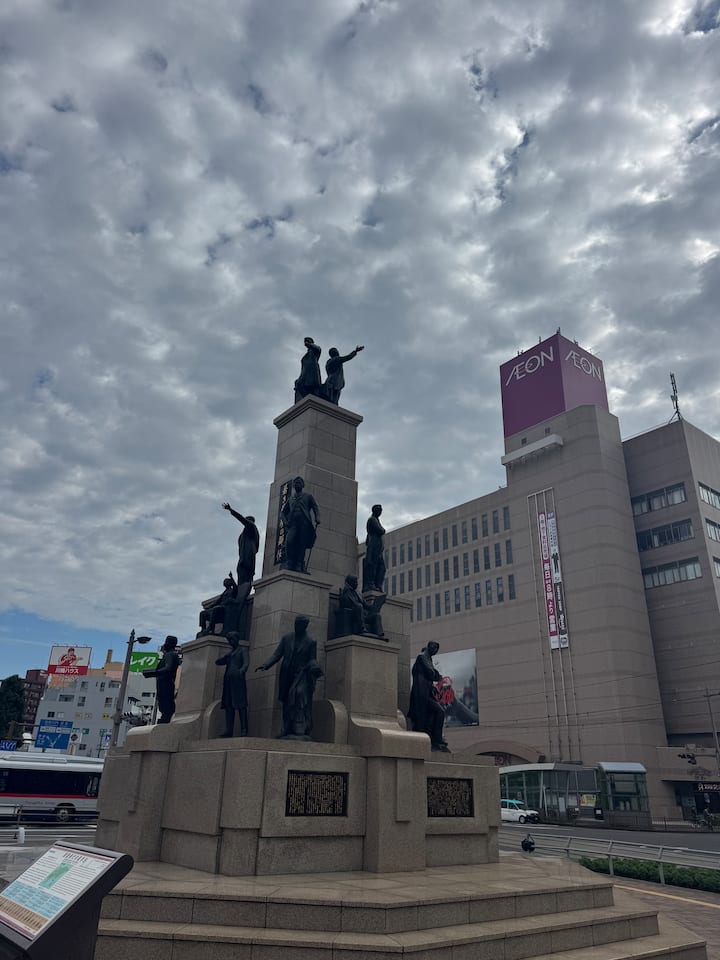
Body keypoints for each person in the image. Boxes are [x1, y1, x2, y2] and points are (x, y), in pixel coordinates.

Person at [256, 615, 323, 738]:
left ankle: (301, 726)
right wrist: (265, 665)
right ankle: (286, 728)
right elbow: (277, 654)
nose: (296, 627)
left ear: (305, 626)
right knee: (286, 701)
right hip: (287, 674)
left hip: (301, 674)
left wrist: (315, 666)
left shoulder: (311, 641)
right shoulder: (287, 638)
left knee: (299, 694)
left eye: (299, 625)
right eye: (295, 624)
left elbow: (312, 658)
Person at [408, 641, 448, 751]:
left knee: (437, 713)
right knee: (439, 711)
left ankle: (436, 739)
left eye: (437, 649)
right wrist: (437, 676)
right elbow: (431, 673)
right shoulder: (422, 657)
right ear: (429, 647)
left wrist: (433, 686)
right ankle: (437, 739)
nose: (435, 651)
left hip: (426, 694)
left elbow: (429, 676)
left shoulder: (428, 658)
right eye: (434, 648)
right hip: (421, 696)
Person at [281, 476, 321, 572]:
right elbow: (283, 512)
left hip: (304, 523)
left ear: (303, 485)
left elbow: (315, 507)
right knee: (289, 541)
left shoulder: (308, 496)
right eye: (295, 483)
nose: (297, 484)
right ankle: (290, 562)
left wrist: (317, 518)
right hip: (293, 524)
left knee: (301, 543)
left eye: (299, 483)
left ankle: (299, 564)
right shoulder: (291, 499)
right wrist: (285, 522)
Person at [215, 631, 249, 737]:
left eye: (232, 639)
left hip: (238, 681)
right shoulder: (230, 654)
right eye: (229, 640)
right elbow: (217, 662)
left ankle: (244, 729)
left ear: (237, 639)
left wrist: (241, 671)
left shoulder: (242, 650)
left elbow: (246, 663)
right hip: (228, 682)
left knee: (241, 705)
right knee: (229, 706)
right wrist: (225, 657)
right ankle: (229, 730)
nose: (231, 642)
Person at [143, 636, 181, 724]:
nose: (164, 644)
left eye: (166, 642)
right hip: (164, 683)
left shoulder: (171, 654)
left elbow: (168, 668)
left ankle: (167, 717)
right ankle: (166, 717)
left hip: (166, 683)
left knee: (166, 703)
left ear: (170, 643)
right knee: (164, 702)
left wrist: (153, 672)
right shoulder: (170, 655)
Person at [222, 503, 260, 585]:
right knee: (242, 575)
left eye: (247, 521)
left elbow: (241, 518)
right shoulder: (243, 534)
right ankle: (240, 590)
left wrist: (230, 510)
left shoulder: (251, 527)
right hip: (243, 558)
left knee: (246, 576)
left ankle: (243, 589)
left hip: (248, 557)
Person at [362, 504, 386, 591]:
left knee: (382, 567)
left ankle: (378, 585)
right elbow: (381, 530)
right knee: (373, 565)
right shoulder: (372, 519)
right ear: (374, 510)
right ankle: (371, 584)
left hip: (378, 549)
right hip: (374, 547)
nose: (380, 512)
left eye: (381, 510)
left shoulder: (376, 520)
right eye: (379, 510)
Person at [294, 337, 322, 401]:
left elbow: (318, 349)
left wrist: (310, 344)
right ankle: (306, 399)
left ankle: (312, 399)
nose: (306, 342)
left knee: (312, 386)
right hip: (304, 373)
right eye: (305, 341)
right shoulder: (305, 356)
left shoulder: (314, 351)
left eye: (308, 340)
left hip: (312, 372)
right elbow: (303, 368)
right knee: (298, 383)